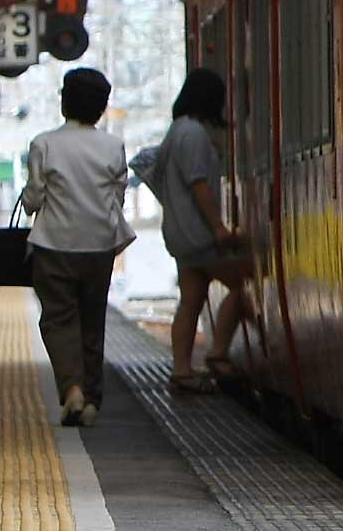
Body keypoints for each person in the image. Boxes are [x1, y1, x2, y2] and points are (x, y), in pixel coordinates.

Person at [21, 67, 133, 427]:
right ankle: (92, 400)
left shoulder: (45, 144)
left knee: (58, 319)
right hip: (99, 245)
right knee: (91, 320)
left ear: (64, 102)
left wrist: (32, 198)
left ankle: (71, 389)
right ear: (101, 107)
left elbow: (35, 199)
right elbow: (118, 195)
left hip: (54, 245)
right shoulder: (113, 146)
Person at [153, 68, 254, 393]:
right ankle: (218, 352)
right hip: (198, 235)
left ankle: (181, 371)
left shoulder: (175, 131)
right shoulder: (194, 134)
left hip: (179, 234)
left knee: (191, 300)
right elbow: (199, 184)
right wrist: (219, 228)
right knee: (243, 284)